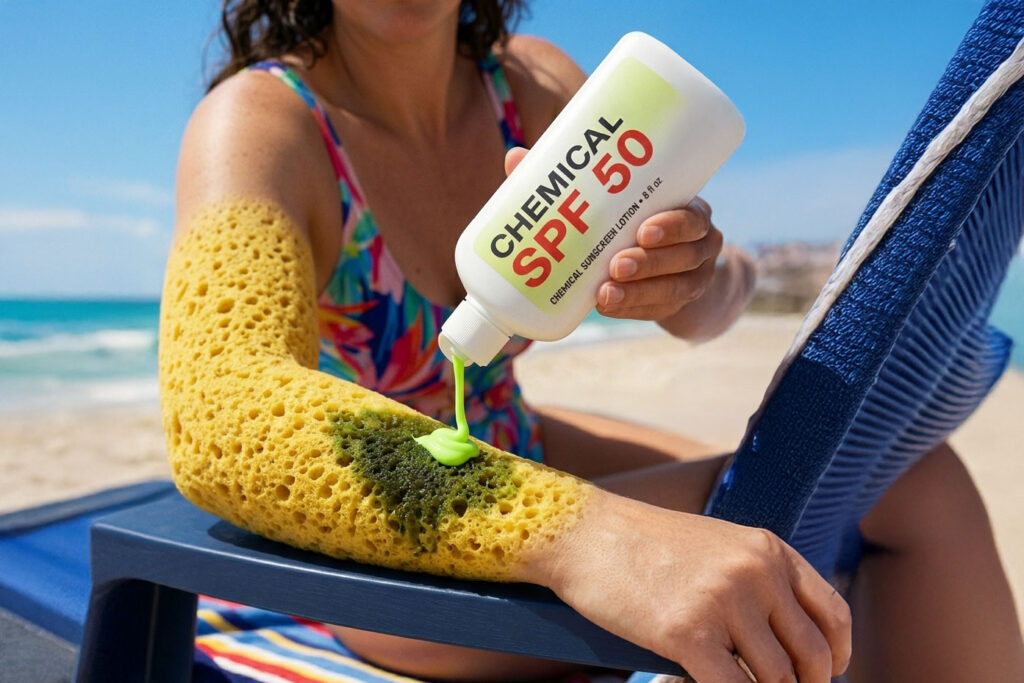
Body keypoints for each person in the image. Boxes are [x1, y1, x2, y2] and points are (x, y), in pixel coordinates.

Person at [167, 1, 1024, 681]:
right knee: (902, 488)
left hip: (517, 452)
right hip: (378, 565)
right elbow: (223, 404)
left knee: (896, 470)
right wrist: (596, 539)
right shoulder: (262, 124)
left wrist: (691, 279)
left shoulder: (532, 89)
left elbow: (709, 311)